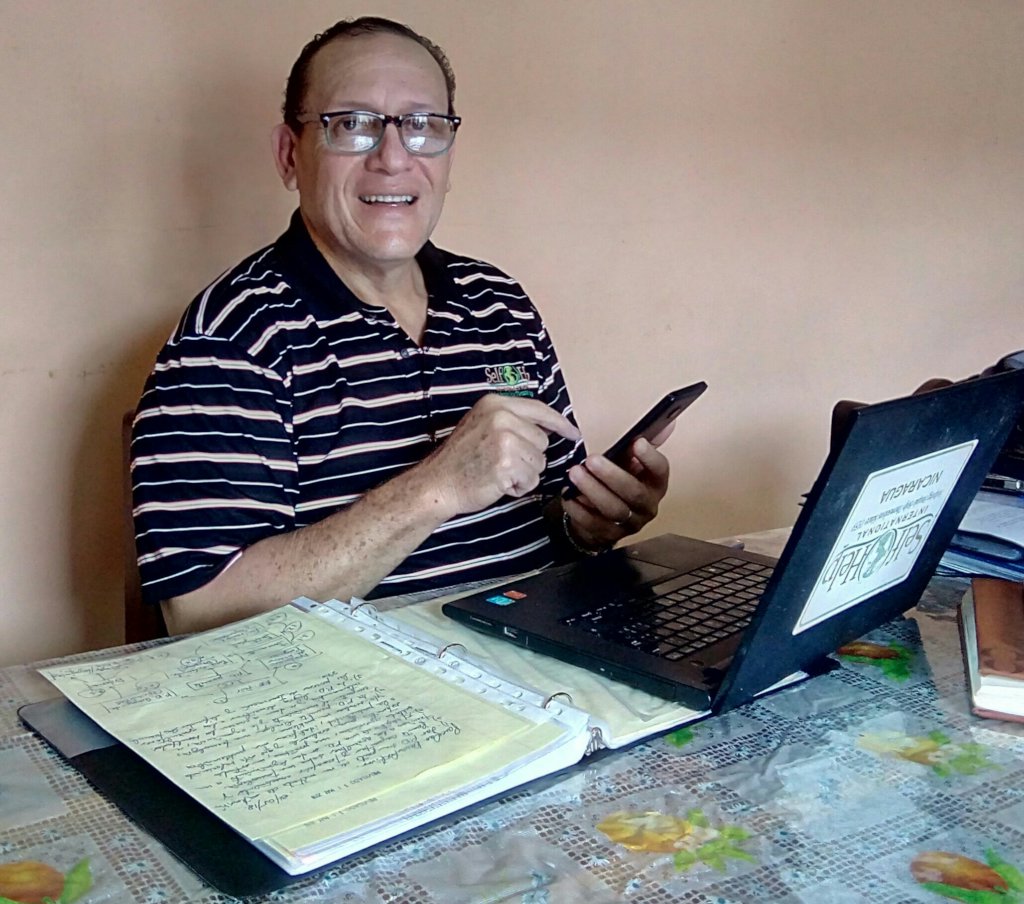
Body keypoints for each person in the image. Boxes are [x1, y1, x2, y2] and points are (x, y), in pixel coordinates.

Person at [131, 16, 672, 635]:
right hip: (350, 687)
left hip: (531, 655)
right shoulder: (230, 339)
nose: (393, 159)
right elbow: (198, 611)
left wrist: (588, 523)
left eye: (422, 126)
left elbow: (548, 516)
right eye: (352, 125)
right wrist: (435, 487)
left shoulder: (500, 303)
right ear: (290, 155)